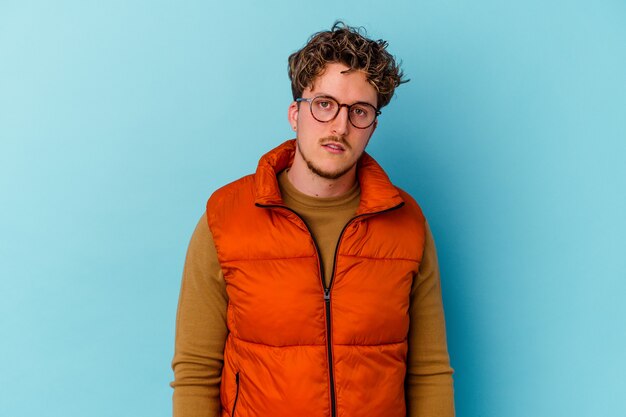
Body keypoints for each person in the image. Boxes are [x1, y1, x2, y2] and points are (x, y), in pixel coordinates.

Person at [171, 22, 454, 417]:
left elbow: (429, 373)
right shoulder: (226, 218)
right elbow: (196, 373)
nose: (339, 126)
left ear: (372, 125)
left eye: (359, 111)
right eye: (324, 104)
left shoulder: (407, 223)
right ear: (295, 114)